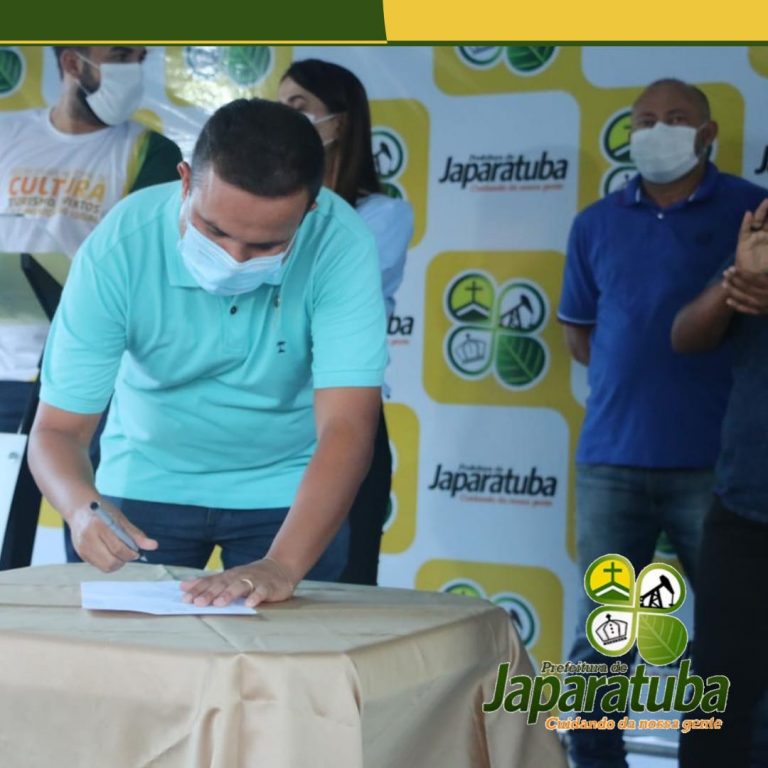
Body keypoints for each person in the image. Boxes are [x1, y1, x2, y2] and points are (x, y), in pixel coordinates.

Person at [27, 98, 387, 608]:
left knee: (293, 656)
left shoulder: (341, 242)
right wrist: (81, 510)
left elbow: (347, 426)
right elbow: (57, 429)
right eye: (214, 231)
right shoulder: (120, 246)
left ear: (309, 211)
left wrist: (282, 565)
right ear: (185, 182)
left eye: (265, 246)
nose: (232, 259)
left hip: (290, 491)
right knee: (131, 656)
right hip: (145, 481)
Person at [557, 78, 768, 768]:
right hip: (612, 457)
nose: (658, 131)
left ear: (708, 134)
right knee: (604, 635)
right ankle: (594, 758)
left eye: (676, 118)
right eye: (645, 120)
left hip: (721, 468)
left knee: (734, 641)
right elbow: (581, 335)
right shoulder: (595, 222)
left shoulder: (749, 211)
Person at [278, 59, 413, 586]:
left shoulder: (383, 214)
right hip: (271, 417)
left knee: (344, 586)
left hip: (345, 415)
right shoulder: (261, 210)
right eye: (278, 108)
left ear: (339, 122)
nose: (284, 121)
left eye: (299, 108)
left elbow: (325, 292)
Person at [0, 45, 181, 434]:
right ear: (72, 62)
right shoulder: (7, 133)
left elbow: (145, 272)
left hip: (79, 376)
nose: (133, 71)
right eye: (120, 58)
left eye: (139, 59)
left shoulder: (153, 153)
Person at [673, 200, 768, 768]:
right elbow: (685, 335)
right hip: (745, 508)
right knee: (717, 701)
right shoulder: (759, 244)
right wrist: (737, 282)